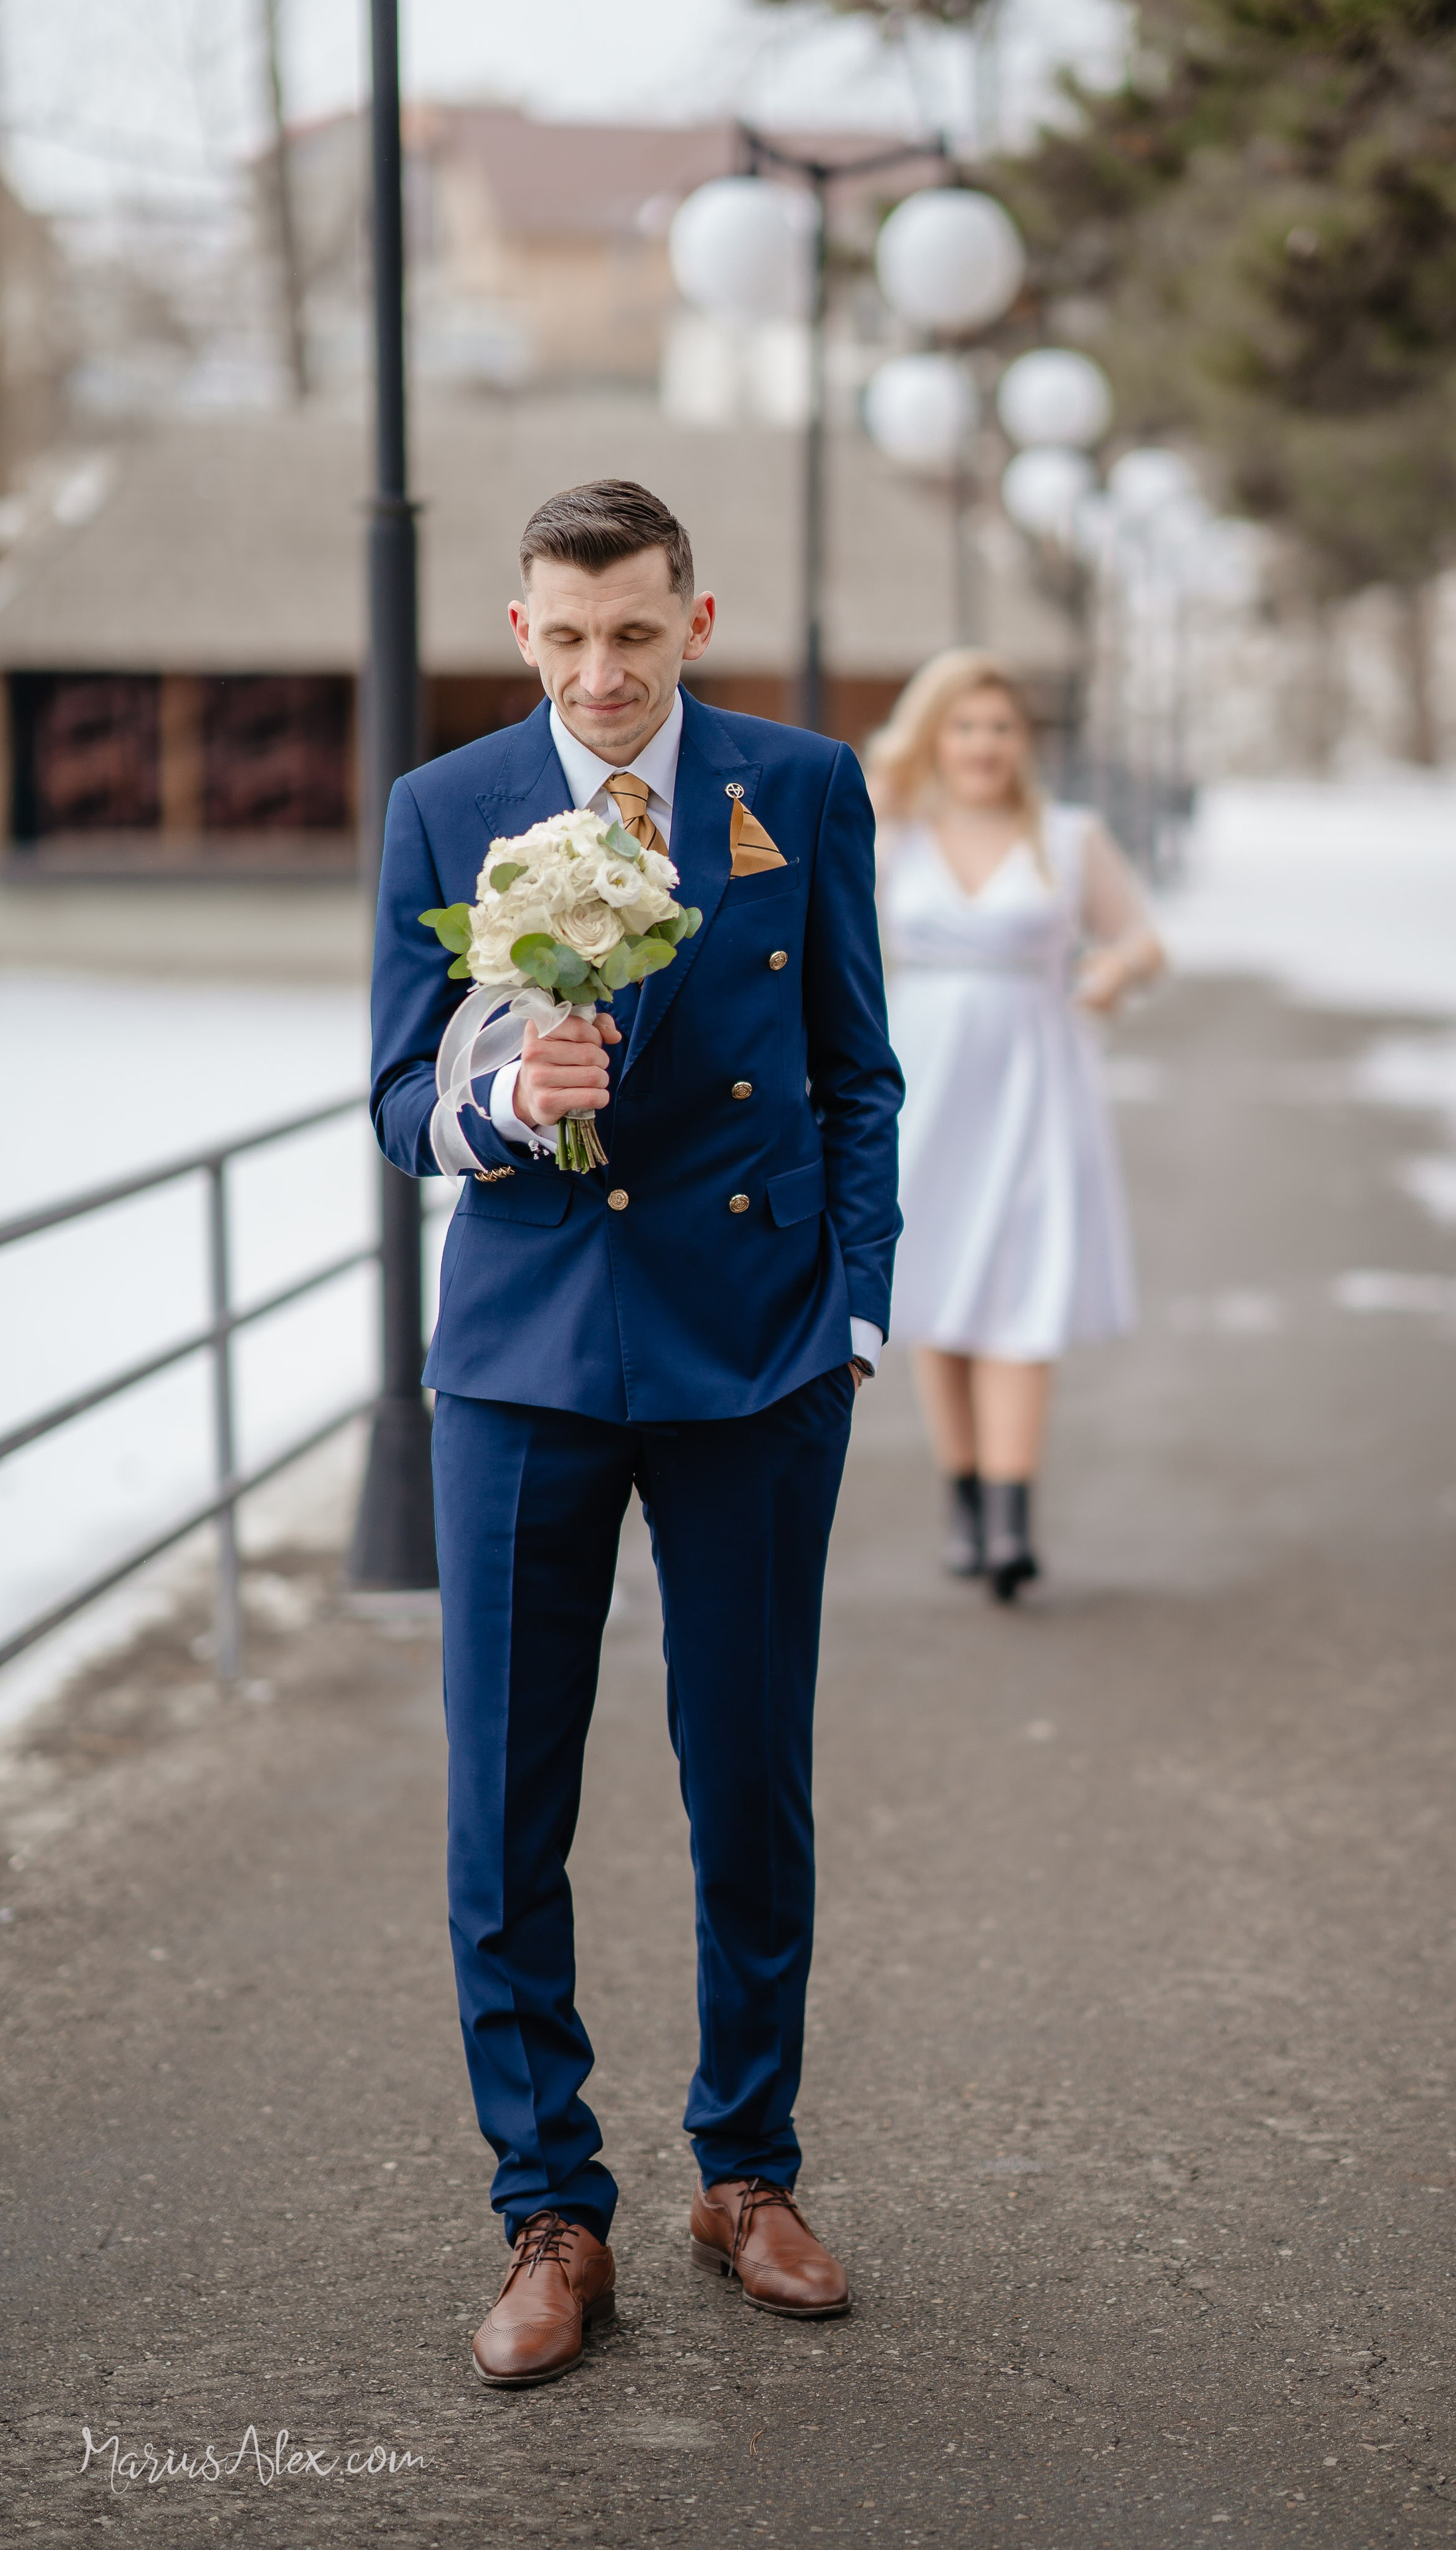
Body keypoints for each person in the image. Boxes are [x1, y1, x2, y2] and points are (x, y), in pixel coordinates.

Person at [369, 479, 902, 2387]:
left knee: (748, 1775)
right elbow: (391, 1104)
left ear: (695, 620)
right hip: (521, 1363)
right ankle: (551, 2209)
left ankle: (745, 2172)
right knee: (504, 1800)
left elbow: (857, 1069)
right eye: (567, 635)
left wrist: (849, 1303)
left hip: (756, 1357)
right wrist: (510, 1094)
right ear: (523, 632)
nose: (603, 673)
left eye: (638, 633)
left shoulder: (804, 788)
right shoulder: (447, 807)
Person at [867, 649, 1164, 1600]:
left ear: (1022, 742)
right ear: (934, 736)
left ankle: (1010, 1521)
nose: (984, 744)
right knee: (941, 1290)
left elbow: (1143, 938)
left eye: (1000, 726)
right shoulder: (894, 833)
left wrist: (1116, 972)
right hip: (925, 1078)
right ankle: (964, 1498)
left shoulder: (1068, 838)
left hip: (1035, 1080)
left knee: (1018, 1297)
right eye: (964, 726)